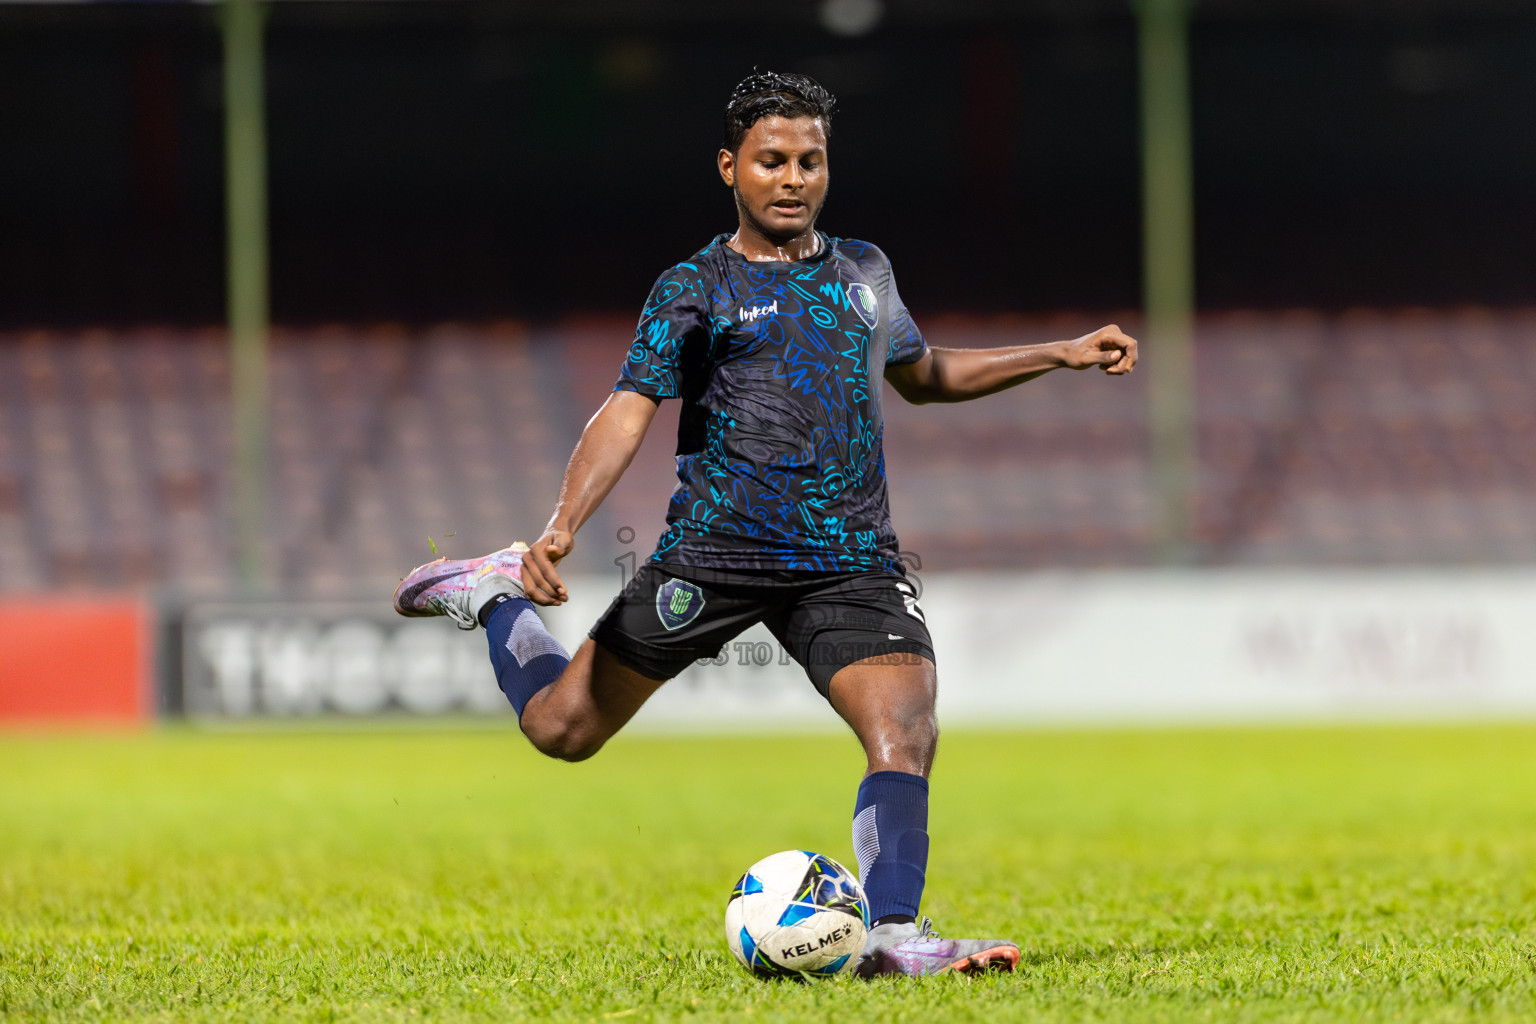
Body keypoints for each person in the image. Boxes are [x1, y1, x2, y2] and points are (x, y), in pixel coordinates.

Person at [394, 71, 1137, 978]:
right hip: (715, 553)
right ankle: (493, 596)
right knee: (562, 730)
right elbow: (629, 408)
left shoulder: (865, 270)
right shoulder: (693, 287)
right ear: (729, 167)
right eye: (772, 160)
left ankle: (896, 936)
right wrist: (558, 531)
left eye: (811, 161)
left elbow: (923, 371)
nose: (794, 178)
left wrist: (1057, 353)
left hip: (849, 558)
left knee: (905, 730)